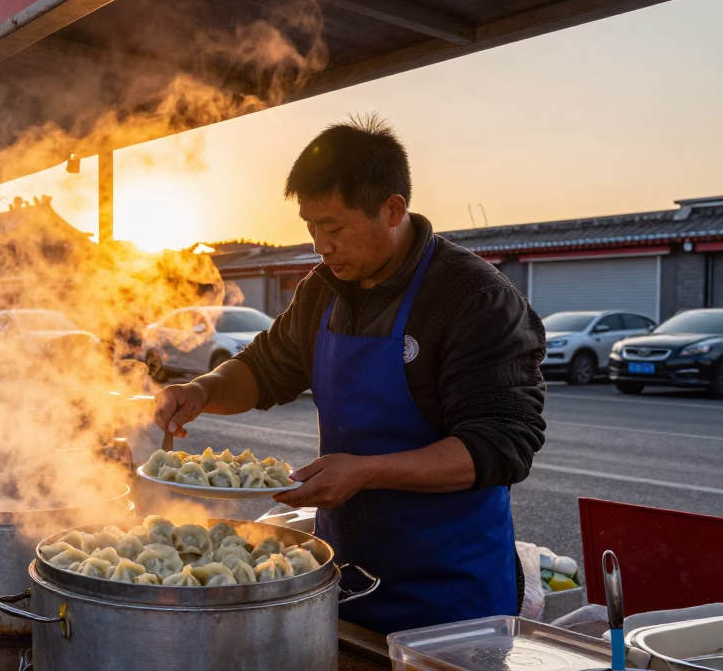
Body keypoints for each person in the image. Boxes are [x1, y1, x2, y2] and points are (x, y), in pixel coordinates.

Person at [154, 117, 546, 634]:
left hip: (451, 598)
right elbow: (264, 369)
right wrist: (201, 390)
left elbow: (501, 445)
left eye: (333, 228)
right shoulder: (323, 290)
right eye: (311, 227)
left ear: (392, 210)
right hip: (345, 577)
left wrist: (364, 472)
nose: (321, 245)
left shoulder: (473, 299)